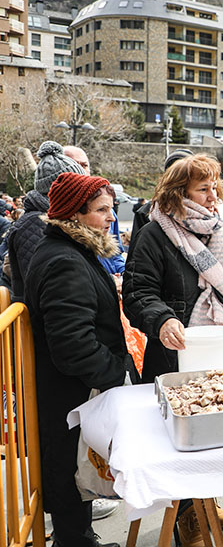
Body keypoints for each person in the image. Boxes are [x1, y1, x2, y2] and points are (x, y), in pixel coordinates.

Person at [122, 154, 223, 544]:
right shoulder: (154, 234)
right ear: (178, 194)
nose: (213, 196)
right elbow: (139, 293)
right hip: (177, 352)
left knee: (217, 431)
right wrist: (162, 320)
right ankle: (186, 515)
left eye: (215, 187)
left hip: (222, 346)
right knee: (184, 439)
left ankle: (205, 498)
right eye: (203, 189)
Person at [25, 172, 129, 547]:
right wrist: (117, 372)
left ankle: (80, 538)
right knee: (69, 476)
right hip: (69, 394)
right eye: (102, 210)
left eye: (111, 209)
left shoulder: (70, 251)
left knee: (74, 477)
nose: (110, 218)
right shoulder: (65, 260)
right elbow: (72, 345)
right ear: (74, 215)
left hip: (70, 391)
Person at [7, 142, 86, 302]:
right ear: (62, 190)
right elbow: (48, 287)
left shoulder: (50, 219)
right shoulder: (36, 223)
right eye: (79, 187)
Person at [64, 146, 125, 277]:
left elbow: (115, 254)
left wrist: (123, 273)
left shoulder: (110, 215)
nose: (81, 170)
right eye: (74, 164)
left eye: (85, 165)